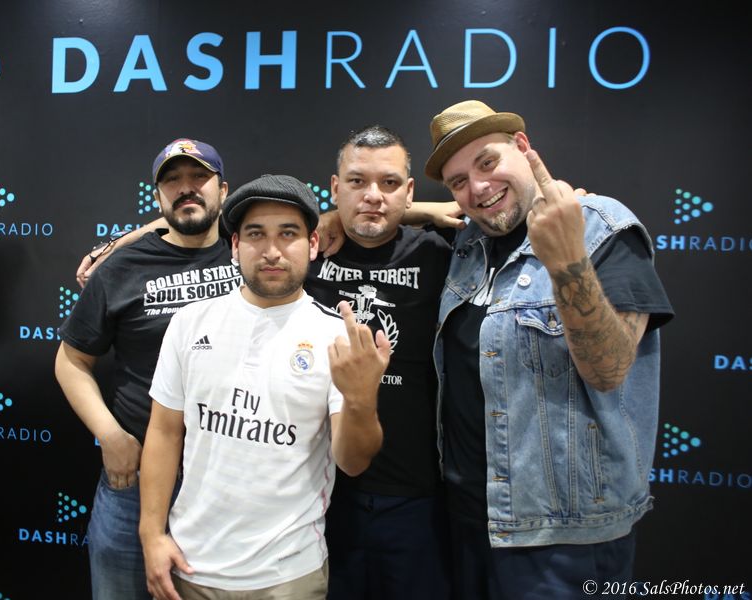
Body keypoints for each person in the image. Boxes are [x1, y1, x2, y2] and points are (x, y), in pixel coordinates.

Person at [424, 100, 674, 599]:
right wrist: (388, 212)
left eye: (488, 162)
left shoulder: (602, 226)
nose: (478, 187)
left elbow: (609, 369)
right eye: (458, 181)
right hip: (468, 523)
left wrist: (565, 260)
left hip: (564, 535)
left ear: (522, 146)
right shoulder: (468, 246)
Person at [138, 174, 391, 600]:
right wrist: (151, 535)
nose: (272, 251)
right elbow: (164, 432)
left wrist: (361, 399)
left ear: (313, 244)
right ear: (235, 246)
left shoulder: (336, 337)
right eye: (256, 234)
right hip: (190, 567)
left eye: (288, 234)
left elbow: (353, 462)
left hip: (289, 576)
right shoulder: (190, 323)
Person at [55, 138, 240, 600]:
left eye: (199, 177)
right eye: (172, 181)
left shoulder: (252, 252)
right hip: (135, 482)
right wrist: (110, 435)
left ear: (223, 189)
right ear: (158, 195)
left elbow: (333, 217)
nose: (186, 188)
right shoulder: (120, 269)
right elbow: (71, 361)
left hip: (231, 479)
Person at [304, 126, 458, 599]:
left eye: (389, 183)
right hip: (316, 497)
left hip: (417, 495)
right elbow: (209, 230)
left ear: (409, 192)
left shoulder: (440, 254)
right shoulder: (303, 253)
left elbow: (506, 216)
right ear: (334, 188)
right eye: (357, 182)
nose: (373, 195)